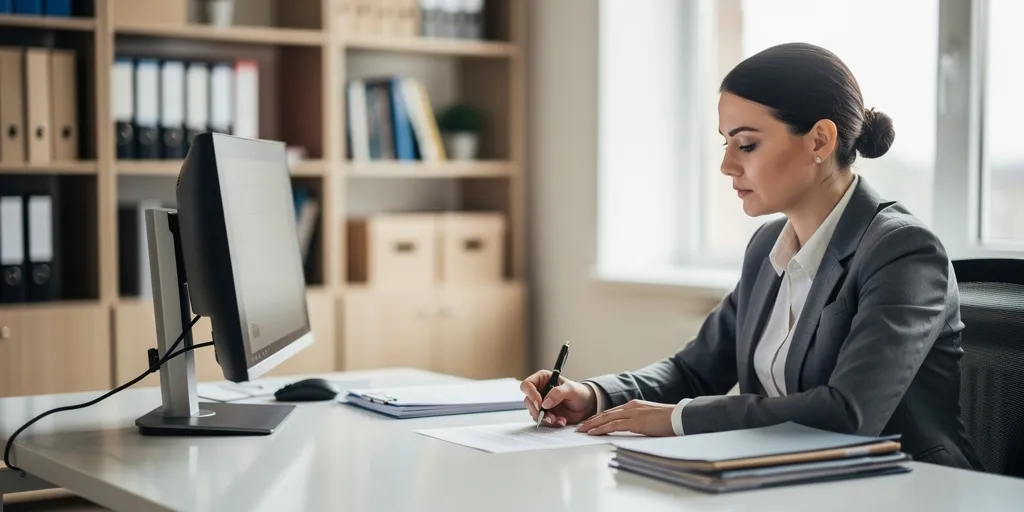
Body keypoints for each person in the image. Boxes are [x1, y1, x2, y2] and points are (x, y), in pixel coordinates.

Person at [520, 42, 981, 470]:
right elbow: (694, 370)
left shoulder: (902, 251)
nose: (726, 165)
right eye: (726, 143)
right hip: (791, 480)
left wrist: (679, 419)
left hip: (907, 487)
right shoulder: (767, 247)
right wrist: (594, 394)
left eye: (747, 144)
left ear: (820, 141)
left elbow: (849, 413)